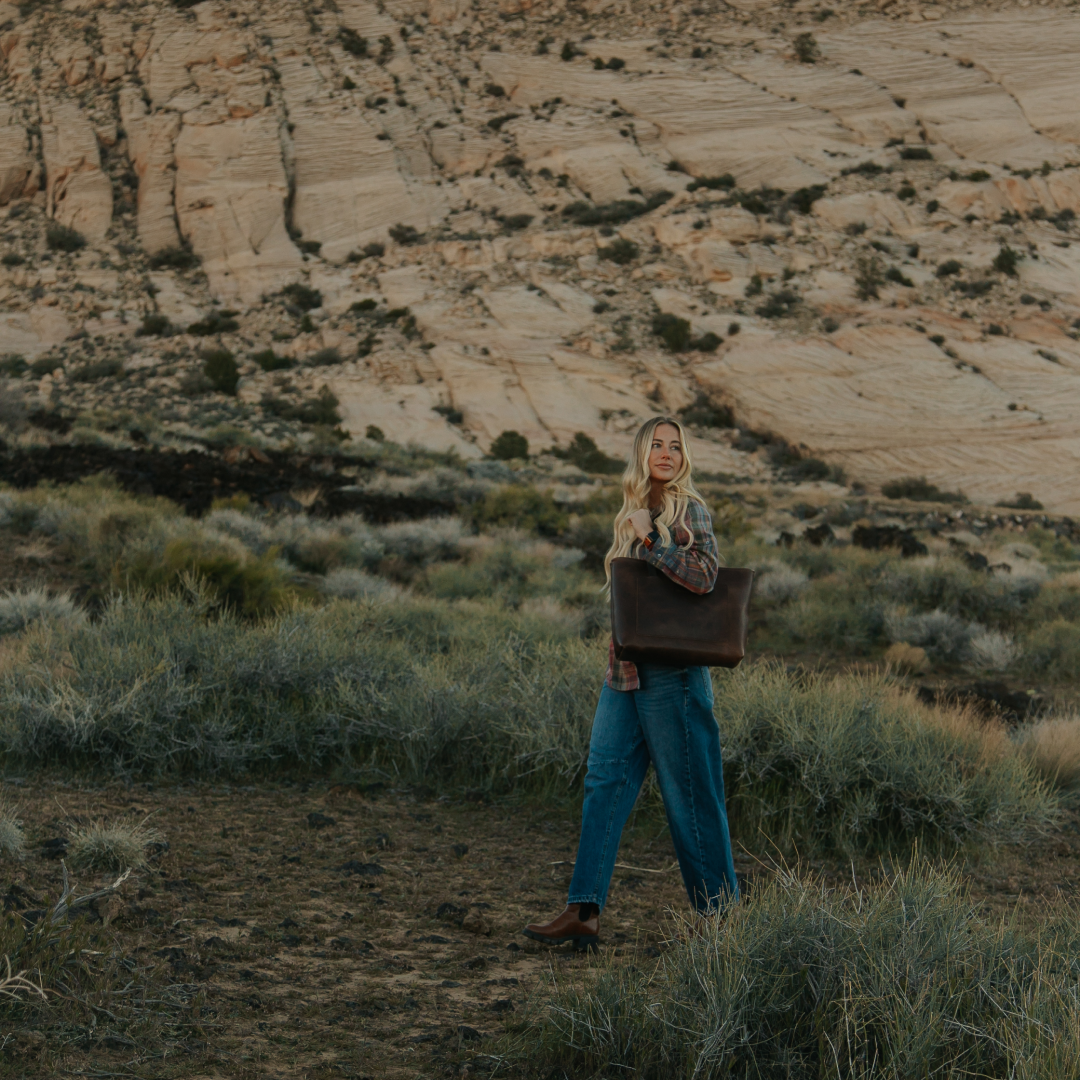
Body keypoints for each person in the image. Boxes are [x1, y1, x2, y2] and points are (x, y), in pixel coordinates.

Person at [523, 416, 739, 949]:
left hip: (673, 673)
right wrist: (637, 526)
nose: (665, 453)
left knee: (691, 795)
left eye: (675, 445)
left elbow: (706, 575)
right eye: (656, 445)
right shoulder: (631, 509)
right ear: (641, 452)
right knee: (603, 783)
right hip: (624, 673)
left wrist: (650, 539)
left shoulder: (690, 509)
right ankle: (584, 908)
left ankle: (723, 921)